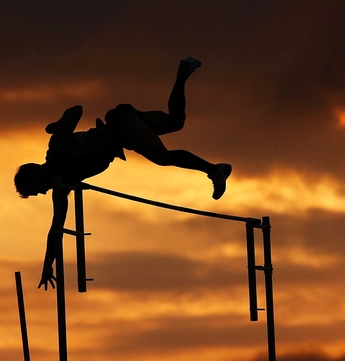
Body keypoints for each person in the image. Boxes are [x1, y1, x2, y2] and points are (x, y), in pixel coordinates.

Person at [13, 57, 232, 290]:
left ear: (36, 174)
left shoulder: (56, 150)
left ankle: (214, 170)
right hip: (124, 123)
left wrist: (59, 125)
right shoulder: (63, 186)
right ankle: (182, 75)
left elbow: (76, 110)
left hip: (122, 128)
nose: (42, 192)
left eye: (36, 190)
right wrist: (48, 265)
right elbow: (56, 230)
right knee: (175, 121)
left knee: (163, 158)